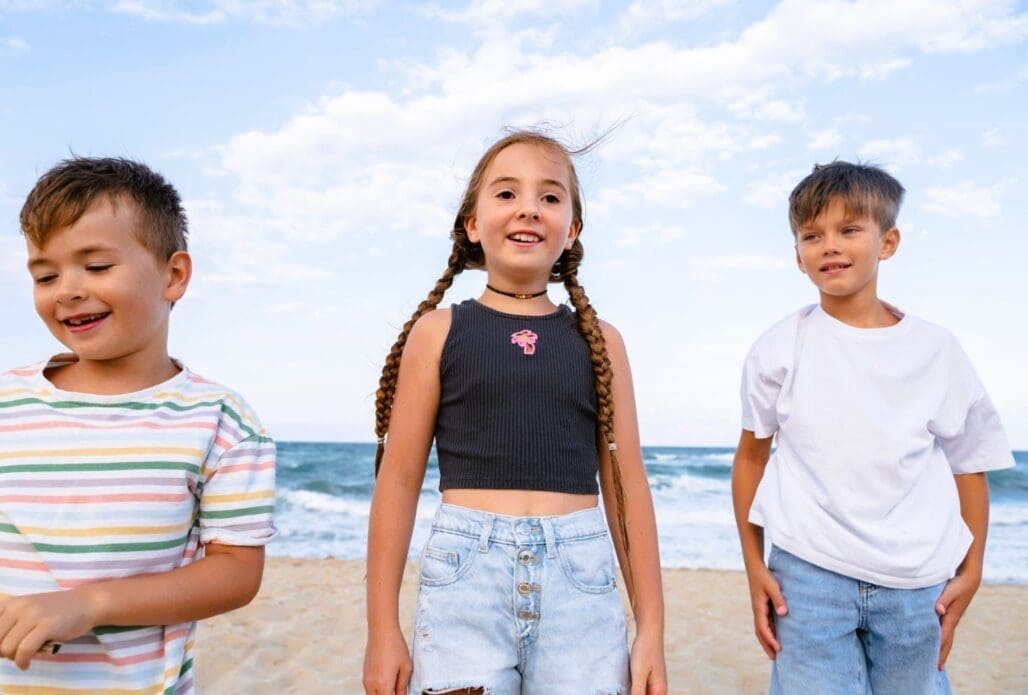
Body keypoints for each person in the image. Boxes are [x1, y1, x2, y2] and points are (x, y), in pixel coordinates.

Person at [362, 131, 667, 695]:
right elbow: (399, 481)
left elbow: (627, 485)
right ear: (472, 225)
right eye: (506, 193)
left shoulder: (600, 342)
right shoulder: (438, 333)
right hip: (464, 584)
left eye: (550, 197)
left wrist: (651, 628)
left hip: (583, 584)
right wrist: (383, 629)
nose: (529, 207)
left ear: (571, 230)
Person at [0, 157, 276, 693]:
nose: (66, 289)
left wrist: (89, 605)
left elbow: (235, 571)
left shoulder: (220, 422)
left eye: (95, 267)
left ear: (174, 274)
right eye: (45, 274)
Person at [731, 161, 1015, 693]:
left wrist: (972, 571)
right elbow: (750, 457)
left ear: (888, 242)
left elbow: (969, 463)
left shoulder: (936, 350)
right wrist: (754, 565)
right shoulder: (777, 349)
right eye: (812, 235)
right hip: (807, 576)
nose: (829, 246)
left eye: (849, 229)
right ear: (798, 256)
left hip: (916, 583)